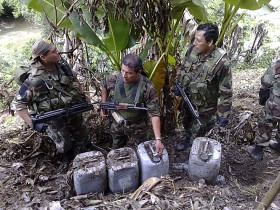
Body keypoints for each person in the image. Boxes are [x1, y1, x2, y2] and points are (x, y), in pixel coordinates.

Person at [12, 39, 92, 169]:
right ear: (43, 57)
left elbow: (74, 78)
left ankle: (87, 148)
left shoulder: (61, 65)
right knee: (63, 141)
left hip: (72, 109)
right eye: (53, 51)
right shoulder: (33, 80)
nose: (58, 52)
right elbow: (18, 104)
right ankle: (67, 157)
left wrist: (82, 96)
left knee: (82, 132)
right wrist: (32, 124)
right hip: (53, 117)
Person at [175, 23, 233, 151]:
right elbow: (184, 68)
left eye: (198, 40)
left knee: (198, 131)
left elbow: (226, 92)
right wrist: (178, 84)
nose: (194, 43)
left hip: (205, 107)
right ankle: (187, 137)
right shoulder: (192, 51)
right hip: (187, 100)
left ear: (210, 41)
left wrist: (224, 115)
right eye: (194, 39)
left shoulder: (222, 62)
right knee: (186, 123)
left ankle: (194, 149)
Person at [100, 53, 164, 154]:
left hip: (138, 126)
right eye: (122, 70)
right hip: (118, 121)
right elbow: (104, 84)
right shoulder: (115, 78)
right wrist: (103, 104)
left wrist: (158, 139)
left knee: (144, 153)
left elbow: (154, 113)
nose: (124, 75)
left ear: (138, 73)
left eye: (129, 73)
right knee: (116, 151)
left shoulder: (147, 87)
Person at [247, 56, 280, 161]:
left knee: (265, 123)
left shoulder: (277, 64)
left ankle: (257, 151)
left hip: (276, 106)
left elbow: (266, 81)